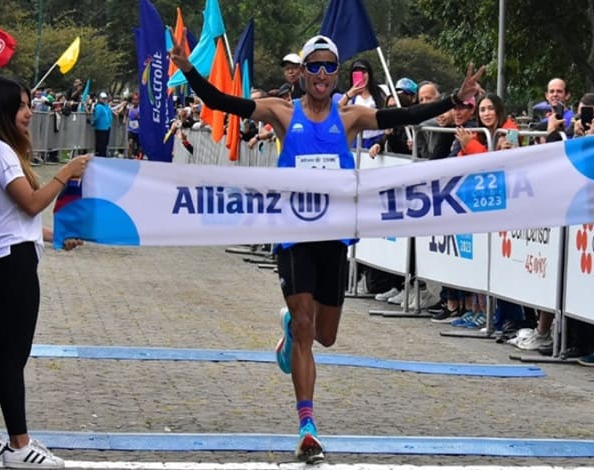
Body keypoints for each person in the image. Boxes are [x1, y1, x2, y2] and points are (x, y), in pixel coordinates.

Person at [171, 35, 483, 464]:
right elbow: (222, 101)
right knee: (305, 326)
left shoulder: (351, 116)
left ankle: (288, 337)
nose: (320, 74)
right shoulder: (282, 112)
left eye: (327, 67)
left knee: (326, 335)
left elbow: (404, 114)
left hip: (334, 237)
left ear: (337, 74)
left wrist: (453, 99)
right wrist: (187, 69)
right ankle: (307, 425)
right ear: (301, 72)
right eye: (313, 66)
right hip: (293, 234)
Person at [0, 76, 88, 469]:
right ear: (2, 110)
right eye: (21, 106)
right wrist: (65, 172)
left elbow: (21, 219)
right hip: (12, 265)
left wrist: (58, 235)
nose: (28, 113)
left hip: (9, 257)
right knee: (11, 356)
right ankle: (20, 445)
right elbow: (33, 204)